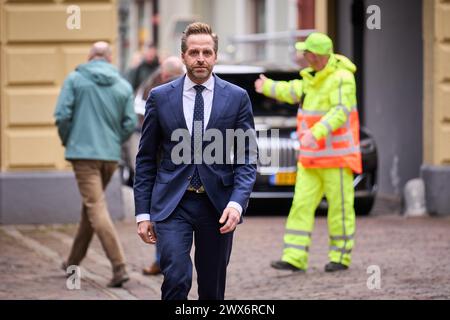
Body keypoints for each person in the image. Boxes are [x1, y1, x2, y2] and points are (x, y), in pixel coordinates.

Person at [134, 22, 256, 300]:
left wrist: (237, 204)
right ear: (183, 56)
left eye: (207, 52)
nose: (200, 58)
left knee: (212, 289)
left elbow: (247, 158)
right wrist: (143, 213)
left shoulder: (237, 98)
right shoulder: (160, 97)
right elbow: (146, 159)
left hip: (218, 207)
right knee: (176, 277)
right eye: (194, 52)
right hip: (172, 204)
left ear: (215, 56)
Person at [254, 32, 362, 273]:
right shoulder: (311, 79)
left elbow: (341, 110)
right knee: (301, 205)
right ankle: (294, 257)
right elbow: (291, 90)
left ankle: (340, 257)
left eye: (306, 52)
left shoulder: (342, 78)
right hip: (311, 158)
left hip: (337, 157)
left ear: (315, 55)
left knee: (340, 209)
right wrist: (268, 86)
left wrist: (317, 131)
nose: (302, 56)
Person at [54, 41, 137, 287]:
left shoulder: (75, 79)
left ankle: (119, 266)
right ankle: (72, 261)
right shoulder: (123, 85)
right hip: (109, 157)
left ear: (90, 56)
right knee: (90, 208)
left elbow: (62, 116)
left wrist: (69, 139)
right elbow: (130, 123)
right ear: (110, 59)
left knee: (96, 208)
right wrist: (114, 142)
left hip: (84, 156)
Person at [133, 56, 185, 276]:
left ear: (163, 74)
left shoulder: (156, 94)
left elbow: (148, 137)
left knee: (161, 215)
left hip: (161, 167)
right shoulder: (191, 91)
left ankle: (162, 260)